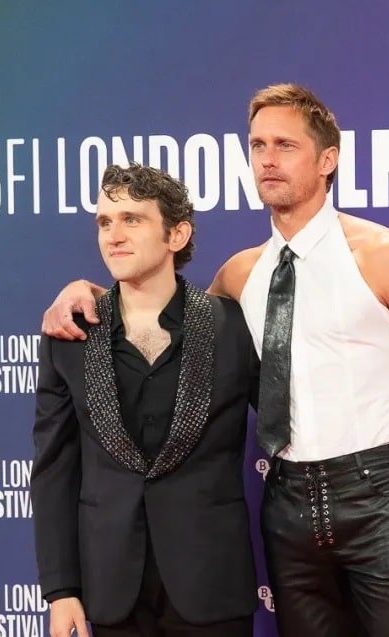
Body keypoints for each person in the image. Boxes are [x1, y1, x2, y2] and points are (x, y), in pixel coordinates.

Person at [42, 84, 389, 637]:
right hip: (287, 503)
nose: (268, 159)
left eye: (285, 145)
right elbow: (159, 309)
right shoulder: (239, 276)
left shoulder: (384, 256)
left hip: (381, 499)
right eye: (257, 145)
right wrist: (83, 290)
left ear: (327, 160)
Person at [30, 163, 259, 637]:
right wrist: (60, 589)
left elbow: (289, 421)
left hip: (211, 583)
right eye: (104, 222)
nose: (114, 235)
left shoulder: (233, 326)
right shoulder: (69, 334)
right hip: (112, 589)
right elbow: (53, 470)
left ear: (177, 234)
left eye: (132, 219)